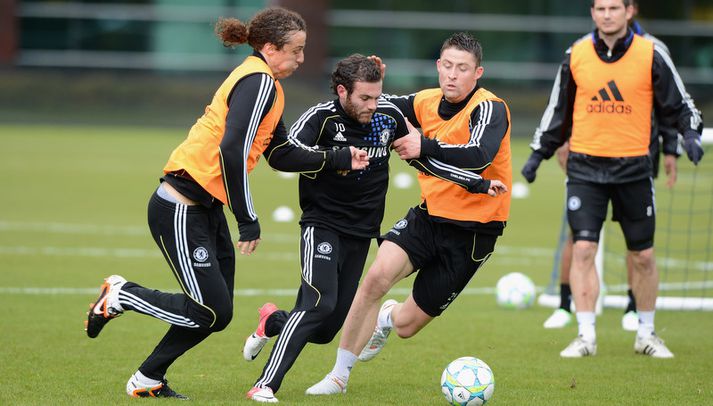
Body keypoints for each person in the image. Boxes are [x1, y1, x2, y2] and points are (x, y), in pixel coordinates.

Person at [83, 7, 369, 400]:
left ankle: (148, 378)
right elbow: (230, 151)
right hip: (180, 206)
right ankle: (121, 294)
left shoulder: (268, 85)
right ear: (270, 48)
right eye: (296, 50)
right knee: (210, 311)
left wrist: (339, 157)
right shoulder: (258, 82)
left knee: (217, 313)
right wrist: (247, 219)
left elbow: (281, 153)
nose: (301, 59)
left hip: (205, 209)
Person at [243, 54, 501, 403]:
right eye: (364, 98)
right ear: (342, 91)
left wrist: (476, 184)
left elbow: (421, 158)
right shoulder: (322, 118)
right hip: (322, 224)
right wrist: (336, 158)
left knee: (324, 328)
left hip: (362, 231)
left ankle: (273, 321)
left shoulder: (387, 116)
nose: (373, 105)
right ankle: (265, 385)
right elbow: (283, 155)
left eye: (377, 96)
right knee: (319, 303)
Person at [305, 32, 511, 396]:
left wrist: (424, 144)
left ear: (478, 72)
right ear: (438, 66)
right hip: (428, 217)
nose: (452, 75)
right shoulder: (423, 100)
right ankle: (338, 376)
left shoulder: (490, 107)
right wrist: (366, 78)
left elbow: (480, 155)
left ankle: (387, 318)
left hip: (475, 233)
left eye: (462, 68)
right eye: (447, 66)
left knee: (406, 325)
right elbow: (370, 103)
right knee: (374, 280)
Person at [522, 0, 703, 358]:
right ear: (592, 13)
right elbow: (558, 109)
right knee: (584, 248)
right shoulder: (575, 54)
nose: (607, 14)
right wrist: (538, 153)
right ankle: (585, 336)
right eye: (600, 8)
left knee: (644, 256)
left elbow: (679, 104)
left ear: (630, 11)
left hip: (634, 168)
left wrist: (690, 135)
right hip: (585, 168)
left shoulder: (651, 53)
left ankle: (646, 334)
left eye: (614, 8)